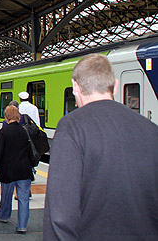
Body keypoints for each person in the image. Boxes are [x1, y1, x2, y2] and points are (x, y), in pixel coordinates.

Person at [43, 54, 158, 240]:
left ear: (75, 86)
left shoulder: (71, 127)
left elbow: (61, 213)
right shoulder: (151, 130)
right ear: (117, 85)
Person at [0, 105, 34, 234]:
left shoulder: (4, 132)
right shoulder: (25, 131)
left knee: (6, 195)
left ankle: (4, 215)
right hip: (24, 169)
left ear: (6, 117)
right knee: (23, 198)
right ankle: (22, 225)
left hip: (8, 169)